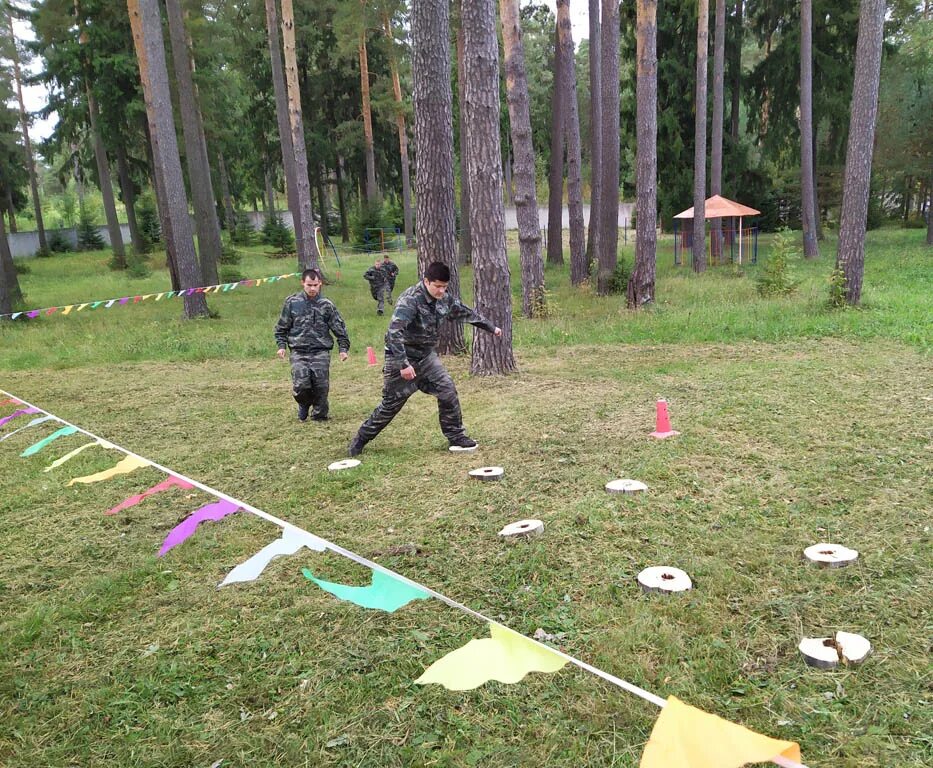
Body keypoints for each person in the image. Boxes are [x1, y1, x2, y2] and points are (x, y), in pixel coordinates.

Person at [347, 261, 502, 456]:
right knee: (390, 406)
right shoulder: (410, 300)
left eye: (445, 287)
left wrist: (491, 327)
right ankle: (360, 439)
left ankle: (456, 436)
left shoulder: (444, 299)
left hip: (427, 357)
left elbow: (465, 312)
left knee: (447, 391)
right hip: (401, 357)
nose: (441, 291)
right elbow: (394, 333)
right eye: (437, 286)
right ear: (426, 281)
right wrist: (403, 365)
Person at [274, 268, 350, 422]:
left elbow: (339, 328)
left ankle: (319, 415)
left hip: (320, 351)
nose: (313, 288)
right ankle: (303, 403)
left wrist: (343, 349)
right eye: (309, 285)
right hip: (298, 351)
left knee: (321, 386)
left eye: (315, 285)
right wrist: (281, 346)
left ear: (320, 283)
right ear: (303, 283)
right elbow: (281, 328)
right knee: (301, 385)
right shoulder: (292, 302)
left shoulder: (326, 305)